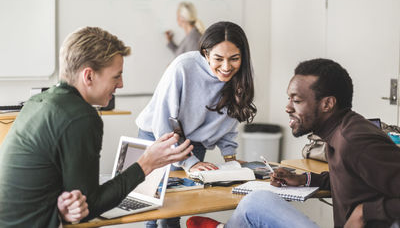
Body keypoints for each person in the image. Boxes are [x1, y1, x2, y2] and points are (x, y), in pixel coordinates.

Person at [0, 27, 193, 228]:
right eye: (116, 76)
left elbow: (65, 196)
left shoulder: (38, 102)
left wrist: (64, 205)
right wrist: (147, 163)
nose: (121, 84)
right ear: (89, 76)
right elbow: (89, 208)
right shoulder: (80, 116)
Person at [186, 58, 400, 228]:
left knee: (256, 204)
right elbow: (350, 179)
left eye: (296, 101)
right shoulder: (340, 132)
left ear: (327, 104)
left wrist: (365, 212)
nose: (288, 107)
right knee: (259, 203)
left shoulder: (355, 140)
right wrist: (304, 178)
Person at [136, 21, 257, 227]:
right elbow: (163, 123)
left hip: (193, 142)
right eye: (218, 59)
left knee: (175, 210)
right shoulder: (183, 67)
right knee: (155, 206)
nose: (226, 67)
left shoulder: (240, 77)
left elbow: (228, 121)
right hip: (158, 136)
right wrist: (190, 163)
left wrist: (231, 161)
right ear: (205, 53)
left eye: (234, 59)